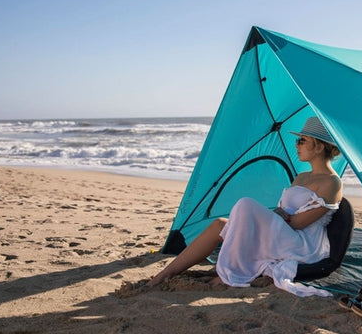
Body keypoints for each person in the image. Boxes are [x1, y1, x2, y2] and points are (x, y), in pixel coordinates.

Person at [117, 117, 343, 297]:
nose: (297, 145)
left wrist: (264, 218)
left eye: (302, 140)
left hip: (301, 244)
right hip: (282, 232)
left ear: (318, 146)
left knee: (246, 205)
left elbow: (297, 222)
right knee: (220, 224)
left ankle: (227, 275)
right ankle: (164, 275)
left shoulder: (332, 182)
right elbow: (282, 212)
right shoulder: (301, 177)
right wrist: (267, 218)